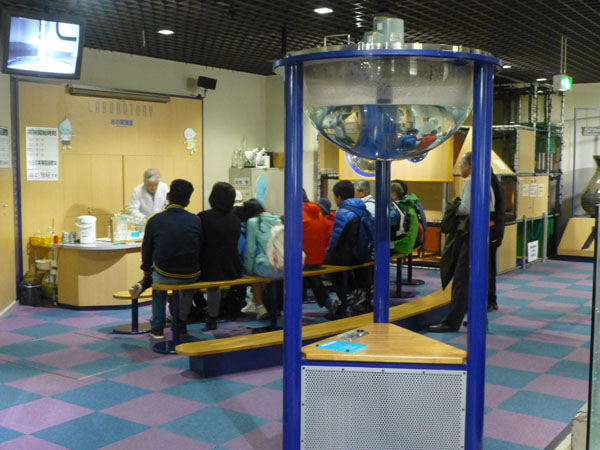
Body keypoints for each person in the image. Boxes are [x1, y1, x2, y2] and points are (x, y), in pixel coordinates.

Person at [429, 152, 495, 332]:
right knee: (476, 279)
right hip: (482, 234)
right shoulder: (485, 181)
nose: (459, 167)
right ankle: (478, 320)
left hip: (470, 235)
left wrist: (454, 209)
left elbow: (465, 208)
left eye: (461, 164)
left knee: (461, 280)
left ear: (469, 165)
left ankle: (451, 323)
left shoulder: (470, 182)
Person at [140, 179, 202, 339]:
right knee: (186, 288)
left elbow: (147, 250)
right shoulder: (195, 220)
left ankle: (157, 328)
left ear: (168, 196)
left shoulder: (154, 220)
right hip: (191, 274)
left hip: (164, 273)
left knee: (158, 289)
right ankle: (182, 323)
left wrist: (146, 271)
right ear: (188, 202)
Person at [198, 182, 242, 330]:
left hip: (207, 268)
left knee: (190, 280)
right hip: (231, 268)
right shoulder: (235, 219)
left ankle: (189, 317)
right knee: (214, 284)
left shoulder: (203, 217)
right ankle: (212, 316)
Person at [324, 180, 371, 315]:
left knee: (325, 262)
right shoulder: (362, 208)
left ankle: (346, 295)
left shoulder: (343, 212)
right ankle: (355, 291)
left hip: (348, 256)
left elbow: (335, 241)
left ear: (339, 197)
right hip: (362, 253)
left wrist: (327, 252)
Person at [244, 206, 284, 320]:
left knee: (253, 273)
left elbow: (250, 249)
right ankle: (252, 304)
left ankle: (260, 307)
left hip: (268, 268)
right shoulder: (279, 220)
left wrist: (248, 269)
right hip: (285, 267)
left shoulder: (252, 222)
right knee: (260, 270)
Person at [302, 189, 337, 313]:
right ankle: (327, 301)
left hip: (304, 261)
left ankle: (273, 307)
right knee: (312, 275)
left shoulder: (297, 213)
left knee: (278, 270)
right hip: (318, 259)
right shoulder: (318, 213)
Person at [488, 170, 506, 312]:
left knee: (487, 268)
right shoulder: (494, 182)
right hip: (495, 231)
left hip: (491, 231)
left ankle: (490, 300)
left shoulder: (488, 184)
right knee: (490, 268)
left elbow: (493, 211)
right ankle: (491, 300)